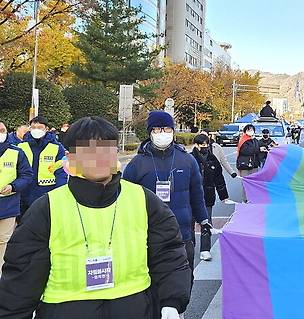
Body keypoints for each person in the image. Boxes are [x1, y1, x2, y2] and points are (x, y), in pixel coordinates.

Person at [0, 116, 191, 318]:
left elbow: (168, 252)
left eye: (106, 149)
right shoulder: (47, 208)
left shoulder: (143, 199)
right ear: (70, 157)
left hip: (136, 309)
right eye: (88, 150)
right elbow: (22, 274)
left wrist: (171, 300)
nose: (99, 157)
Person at [123, 110, 209, 289]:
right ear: (150, 133)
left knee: (183, 282)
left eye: (166, 129)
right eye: (157, 129)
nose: (162, 133)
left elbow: (196, 193)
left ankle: (180, 313)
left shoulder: (187, 161)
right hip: (148, 235)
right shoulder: (137, 163)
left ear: (173, 131)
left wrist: (203, 219)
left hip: (182, 234)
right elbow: (124, 199)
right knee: (151, 284)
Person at [191, 134, 234, 262]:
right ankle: (189, 246)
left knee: (206, 222)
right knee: (189, 223)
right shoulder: (189, 159)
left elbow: (219, 179)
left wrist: (224, 196)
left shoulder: (212, 159)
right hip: (191, 197)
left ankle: (205, 249)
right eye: (202, 145)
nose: (204, 147)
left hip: (207, 196)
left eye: (206, 144)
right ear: (196, 145)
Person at [0, 121, 33, 274]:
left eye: (2, 130)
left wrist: (13, 186)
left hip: (8, 205)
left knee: (3, 241)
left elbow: (26, 175)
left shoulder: (16, 152)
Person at [18, 116, 67, 216]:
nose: (36, 130)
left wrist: (60, 192)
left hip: (47, 191)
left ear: (46, 129)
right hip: (24, 192)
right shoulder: (21, 146)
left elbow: (61, 171)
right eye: (33, 127)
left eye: (39, 127)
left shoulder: (57, 147)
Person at [236, 124, 263, 198]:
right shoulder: (243, 140)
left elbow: (262, 145)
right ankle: (245, 200)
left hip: (254, 165)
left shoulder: (254, 140)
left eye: (252, 130)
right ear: (245, 131)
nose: (250, 131)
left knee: (254, 184)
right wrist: (258, 149)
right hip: (245, 166)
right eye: (248, 130)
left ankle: (252, 199)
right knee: (246, 184)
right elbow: (246, 151)